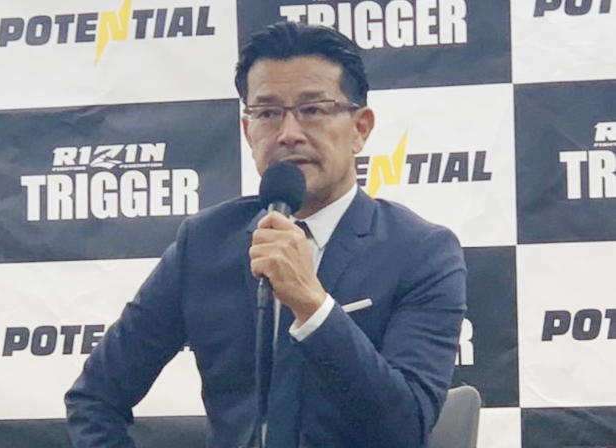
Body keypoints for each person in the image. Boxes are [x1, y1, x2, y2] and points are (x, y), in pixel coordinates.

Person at [65, 21, 466, 448]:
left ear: (360, 129)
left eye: (313, 109)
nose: (289, 134)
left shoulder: (421, 252)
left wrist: (313, 307)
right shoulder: (205, 242)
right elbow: (95, 397)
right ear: (247, 130)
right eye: (268, 113)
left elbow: (405, 429)